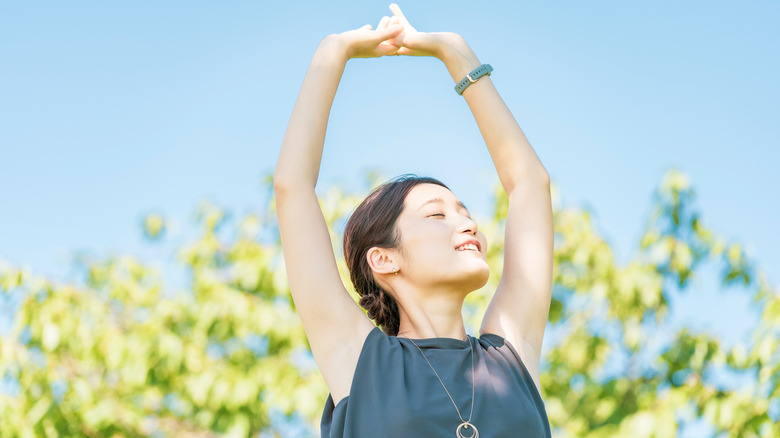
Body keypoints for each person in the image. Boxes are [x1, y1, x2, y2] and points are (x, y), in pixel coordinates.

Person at [273, 4, 553, 437]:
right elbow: (293, 187)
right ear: (384, 259)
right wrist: (335, 51)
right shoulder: (359, 360)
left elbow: (530, 185)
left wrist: (454, 52)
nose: (468, 225)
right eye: (437, 215)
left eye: (466, 213)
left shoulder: (511, 354)